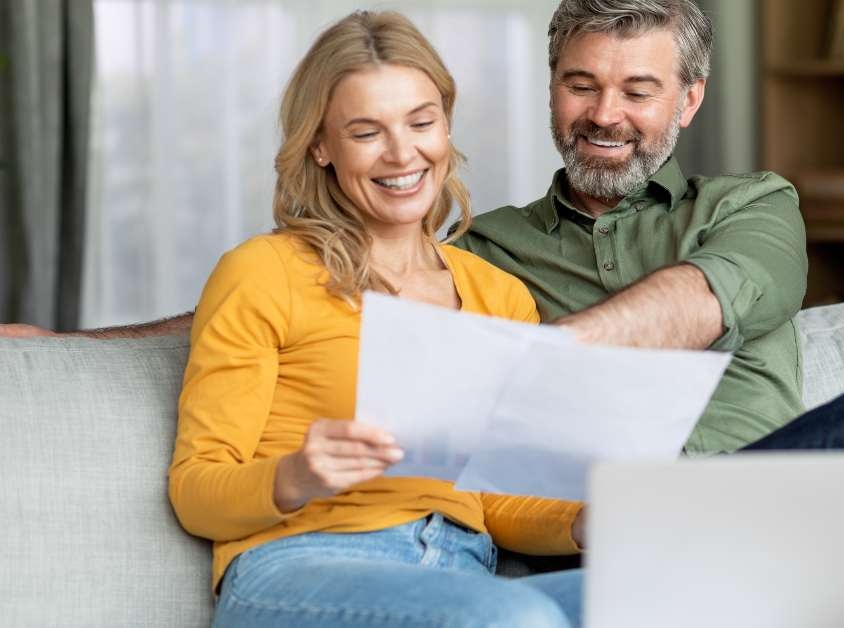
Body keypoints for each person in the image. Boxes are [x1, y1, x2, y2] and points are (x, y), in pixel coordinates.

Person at [4, 2, 844, 626]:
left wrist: (532, 380)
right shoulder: (458, 255)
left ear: (687, 101)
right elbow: (261, 338)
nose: (607, 114)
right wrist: (68, 347)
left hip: (688, 499)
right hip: (359, 552)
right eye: (583, 86)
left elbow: (694, 309)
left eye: (638, 90)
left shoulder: (734, 212)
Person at [170, 11, 585, 628]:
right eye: (366, 132)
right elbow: (195, 490)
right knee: (514, 620)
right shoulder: (264, 271)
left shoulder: (499, 295)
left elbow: (497, 499)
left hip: (465, 575)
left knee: (671, 597)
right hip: (300, 567)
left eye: (421, 122)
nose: (402, 153)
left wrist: (584, 519)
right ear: (321, 145)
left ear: (445, 125)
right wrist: (298, 474)